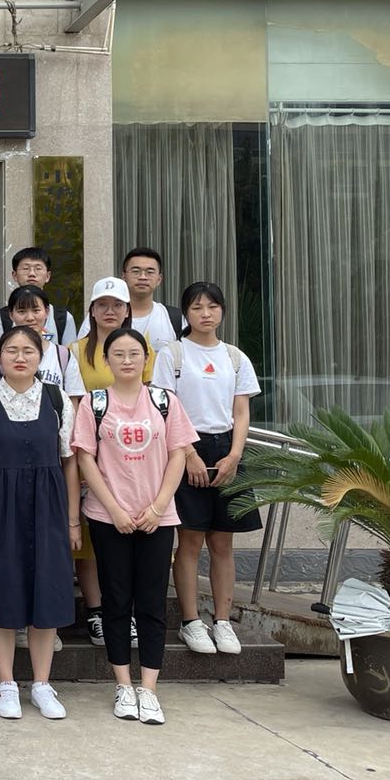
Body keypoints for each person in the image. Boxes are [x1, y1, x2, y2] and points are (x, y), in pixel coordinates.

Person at [72, 328, 198, 726]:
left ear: (146, 359)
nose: (127, 360)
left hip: (158, 518)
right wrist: (114, 509)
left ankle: (149, 689)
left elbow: (178, 455)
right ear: (106, 360)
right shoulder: (94, 403)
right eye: (118, 354)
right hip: (109, 518)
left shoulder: (165, 401)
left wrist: (158, 506)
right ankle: (123, 685)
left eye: (134, 353)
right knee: (116, 600)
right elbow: (85, 459)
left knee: (152, 602)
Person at [0, 326, 79, 721]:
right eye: (11, 350)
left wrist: (72, 519)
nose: (19, 357)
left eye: (28, 350)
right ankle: (7, 683)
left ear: (40, 356)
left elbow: (70, 462)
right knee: (3, 588)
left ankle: (42, 683)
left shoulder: (56, 398)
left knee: (46, 589)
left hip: (48, 504)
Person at [154, 281, 262, 657]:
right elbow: (165, 408)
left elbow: (241, 411)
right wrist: (188, 454)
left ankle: (222, 620)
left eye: (212, 306)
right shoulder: (172, 354)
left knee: (222, 541)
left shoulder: (235, 357)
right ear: (185, 312)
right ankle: (191, 621)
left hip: (227, 448)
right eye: (197, 307)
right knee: (189, 540)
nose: (205, 313)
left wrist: (235, 455)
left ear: (222, 311)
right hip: (185, 447)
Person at [68, 276, 152, 649]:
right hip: (90, 452)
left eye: (117, 305)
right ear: (91, 310)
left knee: (129, 537)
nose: (110, 311)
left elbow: (150, 401)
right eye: (102, 305)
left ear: (127, 310)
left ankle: (125, 611)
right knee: (90, 541)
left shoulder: (141, 347)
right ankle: (97, 612)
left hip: (133, 457)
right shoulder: (74, 351)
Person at [0, 286, 85, 398]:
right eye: (22, 311)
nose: (30, 318)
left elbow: (72, 399)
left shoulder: (63, 356)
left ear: (47, 312)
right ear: (11, 315)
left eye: (36, 310)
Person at [79, 248, 187, 347]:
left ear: (159, 279)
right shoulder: (101, 317)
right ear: (124, 276)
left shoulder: (173, 317)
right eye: (136, 271)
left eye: (150, 272)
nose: (143, 277)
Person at [0, 247, 78, 347]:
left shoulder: (63, 318)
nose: (32, 274)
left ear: (48, 276)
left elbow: (69, 354)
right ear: (14, 275)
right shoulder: (0, 318)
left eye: (38, 269)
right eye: (26, 269)